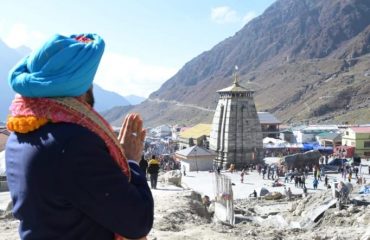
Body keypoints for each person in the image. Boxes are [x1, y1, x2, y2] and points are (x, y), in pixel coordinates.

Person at [5, 34, 153, 240]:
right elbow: (137, 221)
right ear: (83, 89)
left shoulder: (17, 137)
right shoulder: (73, 144)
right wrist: (130, 161)